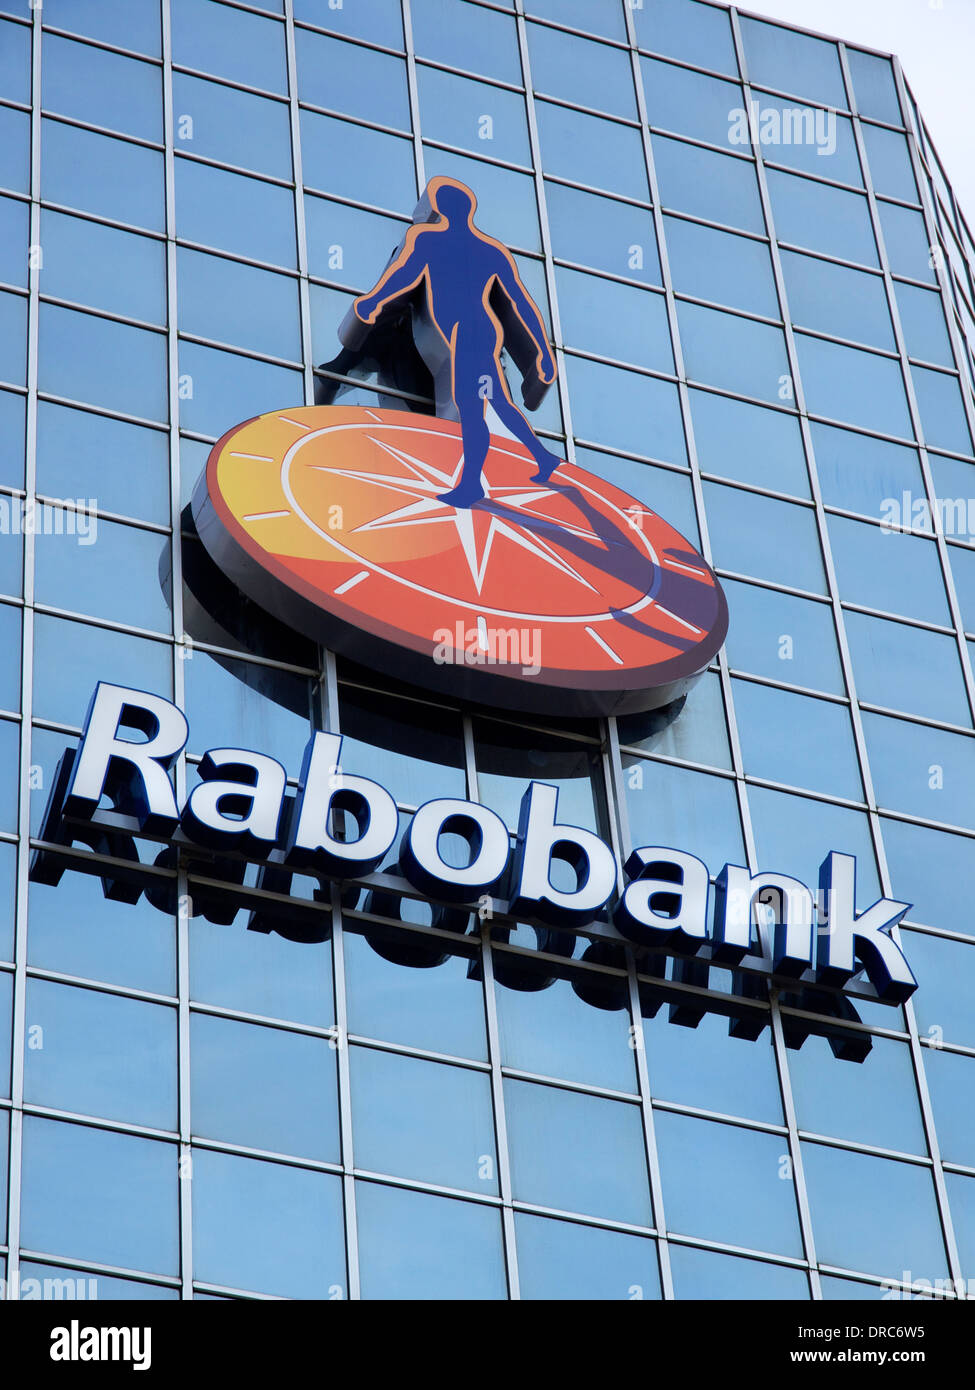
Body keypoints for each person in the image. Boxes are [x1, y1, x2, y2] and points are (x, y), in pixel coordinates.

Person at [353, 177, 563, 507]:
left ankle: (471, 485)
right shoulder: (489, 250)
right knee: (496, 401)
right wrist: (540, 354)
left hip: (465, 334)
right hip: (480, 332)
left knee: (470, 408)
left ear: (442, 209)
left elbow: (403, 276)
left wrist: (375, 301)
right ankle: (541, 456)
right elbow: (519, 304)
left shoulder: (429, 241)